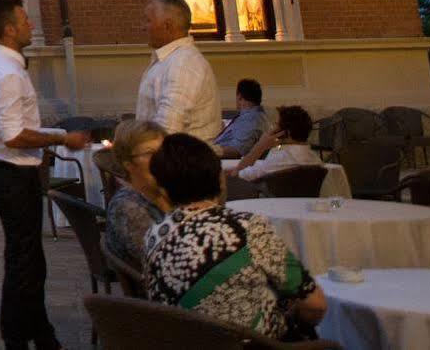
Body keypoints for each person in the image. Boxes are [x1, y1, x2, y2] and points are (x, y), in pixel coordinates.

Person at [0, 0, 89, 350]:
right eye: (25, 21)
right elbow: (14, 135)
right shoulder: (6, 72)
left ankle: (39, 333)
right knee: (24, 261)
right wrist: (62, 137)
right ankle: (19, 337)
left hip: (4, 174)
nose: (31, 26)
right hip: (12, 176)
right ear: (10, 29)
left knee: (28, 259)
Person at [144, 133, 325, 339]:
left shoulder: (153, 234)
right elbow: (315, 305)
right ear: (219, 180)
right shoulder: (246, 227)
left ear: (164, 190)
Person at [135, 0, 221, 139]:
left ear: (167, 25)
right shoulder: (173, 59)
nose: (143, 27)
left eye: (148, 21)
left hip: (180, 159)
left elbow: (168, 127)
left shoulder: (183, 63)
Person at [100, 118, 167, 275]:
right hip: (158, 293)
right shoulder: (129, 206)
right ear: (128, 164)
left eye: (164, 151)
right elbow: (164, 262)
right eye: (150, 153)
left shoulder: (157, 193)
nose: (162, 159)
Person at [230, 105, 321, 184]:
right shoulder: (315, 158)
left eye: (276, 125)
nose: (272, 128)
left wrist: (259, 147)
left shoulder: (279, 159)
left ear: (285, 133)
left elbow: (236, 175)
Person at [214, 79, 269, 158]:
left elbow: (237, 150)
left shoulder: (250, 120)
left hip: (223, 163)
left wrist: (206, 151)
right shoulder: (254, 117)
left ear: (239, 97)